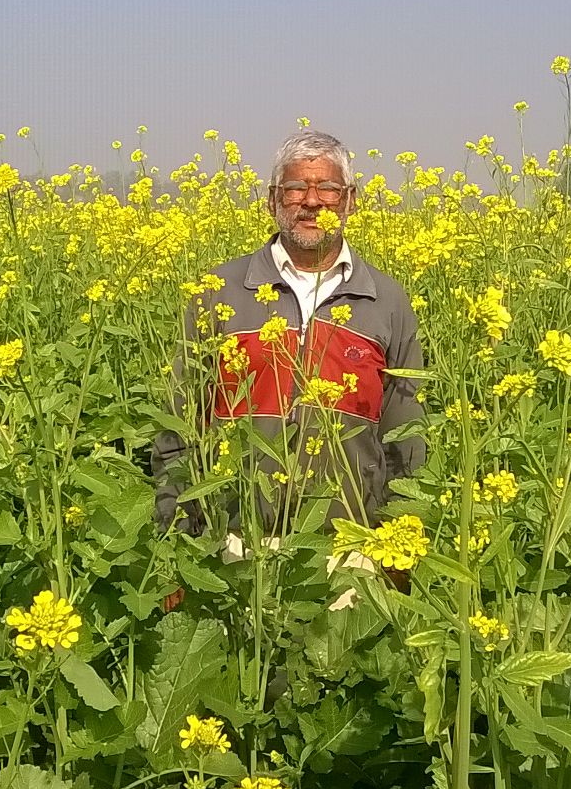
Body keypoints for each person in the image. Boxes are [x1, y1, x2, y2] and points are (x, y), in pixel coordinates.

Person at [151, 130, 427, 606]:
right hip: (232, 544)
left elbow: (406, 436)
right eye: (296, 188)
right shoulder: (219, 291)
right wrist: (175, 539)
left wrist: (394, 549)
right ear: (272, 201)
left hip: (349, 546)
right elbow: (181, 424)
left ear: (350, 201)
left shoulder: (387, 302)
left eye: (328, 189)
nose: (312, 202)